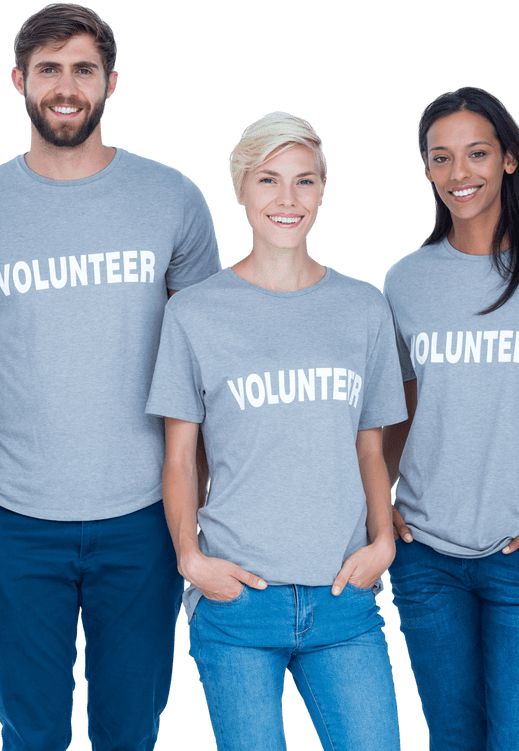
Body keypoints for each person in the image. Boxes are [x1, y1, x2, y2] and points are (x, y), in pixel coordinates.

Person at [0, 3, 221, 749]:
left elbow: (210, 364)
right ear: (19, 80)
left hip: (146, 519)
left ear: (111, 83)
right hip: (17, 522)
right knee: (31, 731)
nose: (67, 86)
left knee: (131, 729)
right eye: (50, 69)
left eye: (83, 69)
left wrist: (204, 505)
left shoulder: (174, 199)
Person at [146, 111, 405, 751]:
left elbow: (369, 447)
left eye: (304, 181)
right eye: (269, 180)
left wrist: (383, 543)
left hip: (344, 597)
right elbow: (179, 458)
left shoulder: (364, 307)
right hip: (238, 600)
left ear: (322, 190)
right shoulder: (194, 313)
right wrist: (189, 560)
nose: (287, 200)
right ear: (241, 190)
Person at [381, 86, 519, 751]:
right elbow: (401, 406)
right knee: (453, 739)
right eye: (441, 158)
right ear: (425, 168)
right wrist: (381, 500)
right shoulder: (405, 279)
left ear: (508, 159)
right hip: (425, 556)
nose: (460, 174)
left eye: (477, 153)